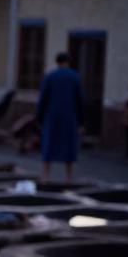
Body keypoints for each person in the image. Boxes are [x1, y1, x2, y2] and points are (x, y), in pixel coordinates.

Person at [37, 52, 85, 182]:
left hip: (52, 115)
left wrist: (39, 118)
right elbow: (80, 101)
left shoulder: (49, 77)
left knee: (49, 143)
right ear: (68, 61)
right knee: (68, 145)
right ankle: (68, 176)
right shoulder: (75, 77)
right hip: (69, 115)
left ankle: (45, 175)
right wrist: (81, 122)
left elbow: (43, 99)